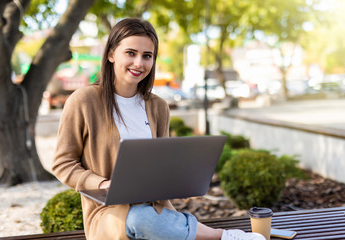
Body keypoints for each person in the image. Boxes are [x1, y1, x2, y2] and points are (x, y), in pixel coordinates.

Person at [51, 18, 265, 240]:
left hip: (156, 211)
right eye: (131, 53)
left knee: (149, 218)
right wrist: (102, 184)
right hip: (110, 215)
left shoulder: (158, 107)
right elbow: (62, 164)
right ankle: (223, 236)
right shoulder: (84, 100)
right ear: (111, 54)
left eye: (147, 56)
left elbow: (161, 165)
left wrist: (180, 178)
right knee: (142, 219)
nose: (139, 63)